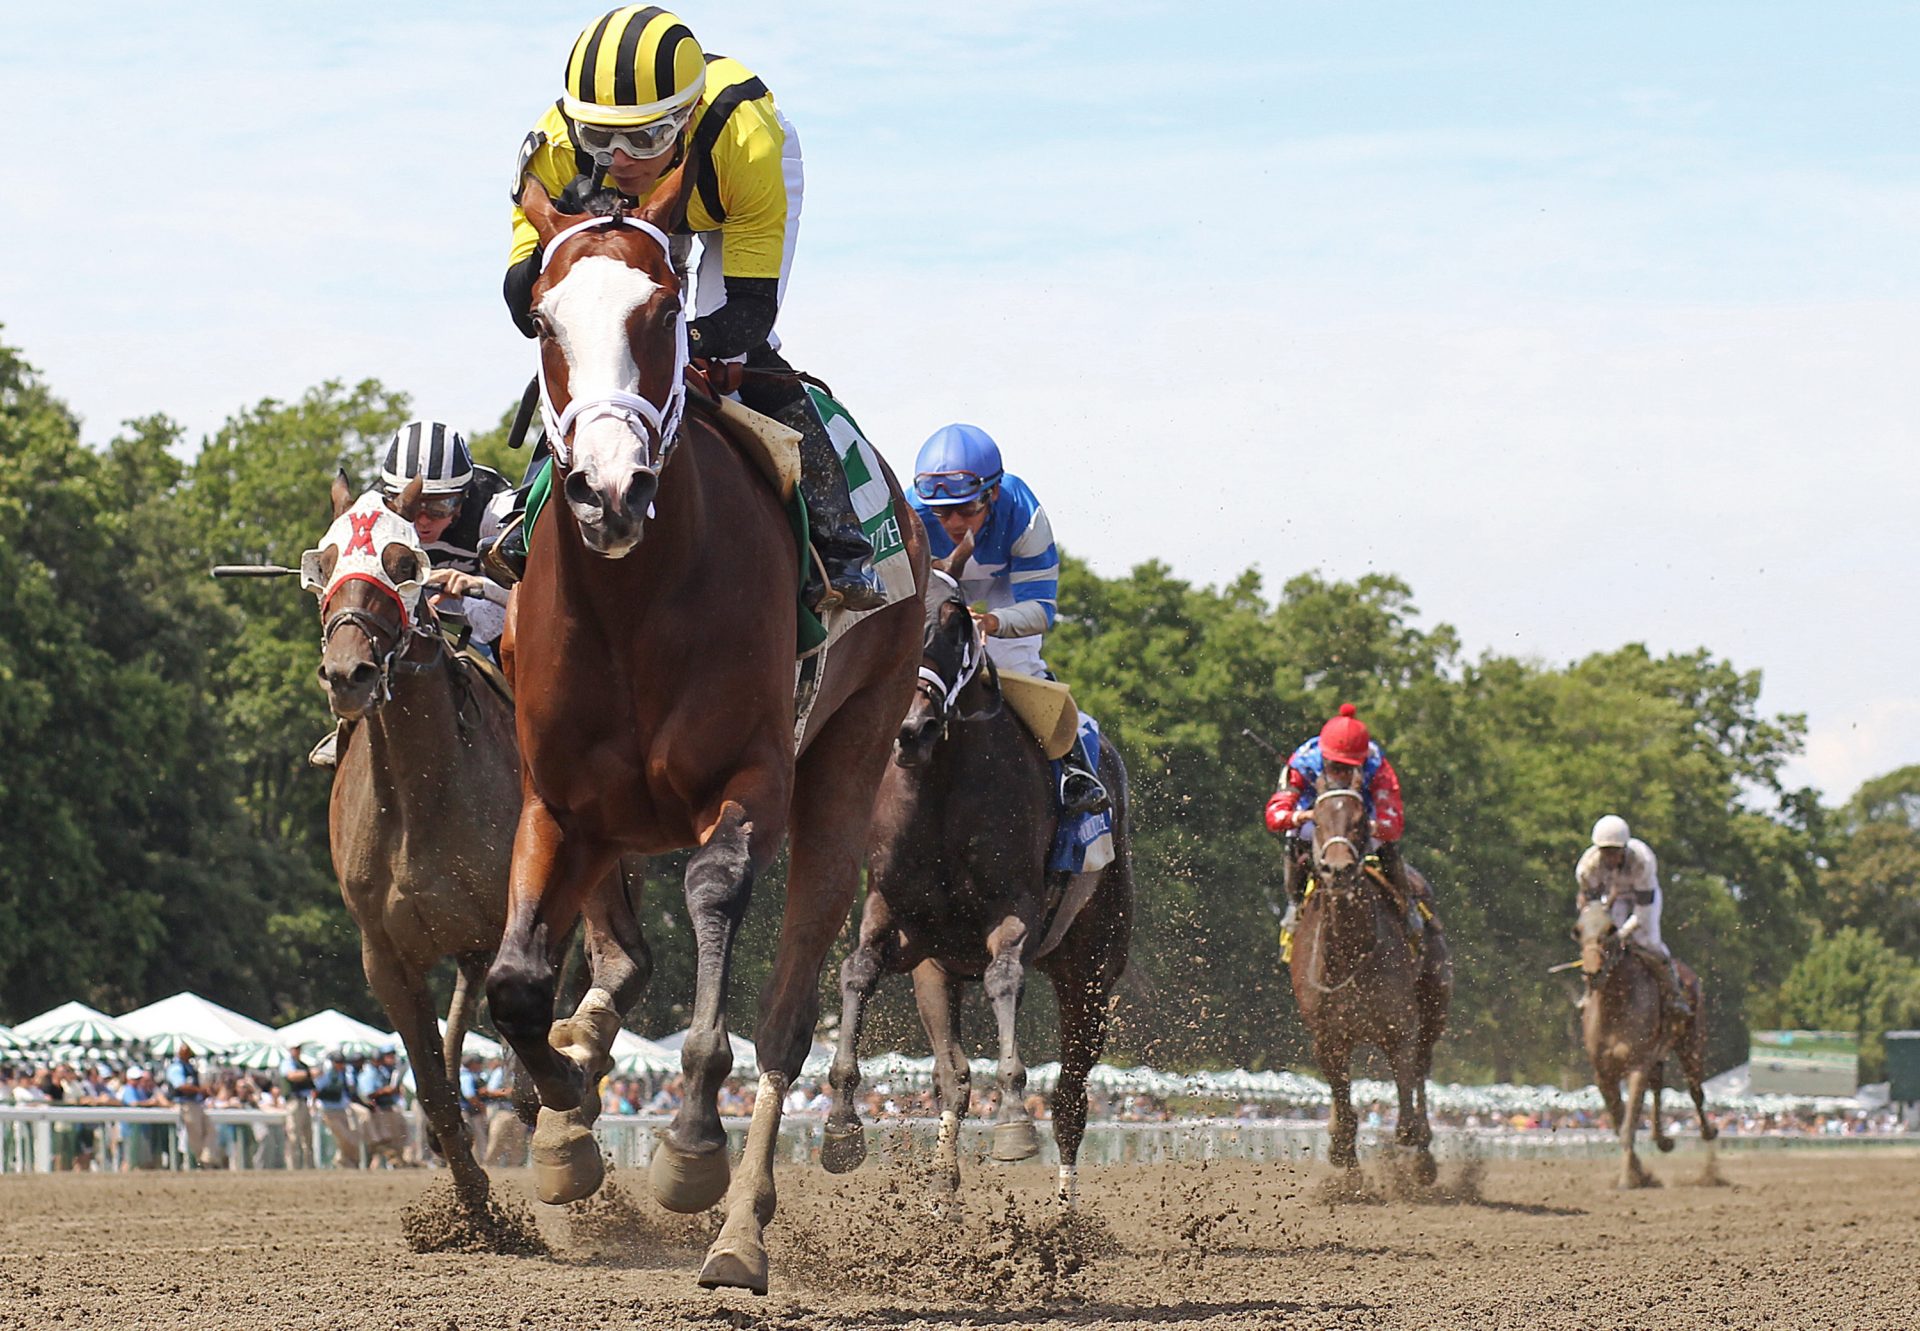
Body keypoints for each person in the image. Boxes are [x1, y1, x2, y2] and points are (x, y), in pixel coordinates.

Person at [496, 5, 882, 610]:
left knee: (740, 350)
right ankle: (527, 508)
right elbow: (525, 302)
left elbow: (747, 313)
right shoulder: (554, 150)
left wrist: (677, 338)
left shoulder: (747, 144)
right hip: (641, 203)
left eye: (645, 138)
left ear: (685, 117)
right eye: (600, 139)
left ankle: (840, 538)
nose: (620, 160)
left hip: (725, 194)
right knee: (592, 326)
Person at [907, 422, 1108, 816]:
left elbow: (1041, 609)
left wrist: (990, 623)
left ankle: (1073, 769)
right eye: (942, 513)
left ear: (992, 493)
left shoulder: (1024, 516)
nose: (953, 525)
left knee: (1017, 660)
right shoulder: (910, 514)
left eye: (967, 510)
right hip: (935, 583)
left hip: (1004, 591)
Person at [309, 419, 513, 769]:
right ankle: (349, 721)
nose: (422, 521)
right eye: (410, 504)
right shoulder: (373, 512)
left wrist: (474, 586)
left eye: (438, 508)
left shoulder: (496, 513)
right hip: (417, 618)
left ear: (463, 499)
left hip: (490, 614)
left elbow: (534, 599)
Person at [1263, 703, 1432, 943]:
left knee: (1387, 844)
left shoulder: (1378, 767)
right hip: (1317, 815)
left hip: (1360, 817)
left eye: (1349, 768)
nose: (1341, 774)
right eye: (1335, 766)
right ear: (1323, 758)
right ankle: (1295, 903)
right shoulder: (1302, 763)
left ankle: (1406, 907)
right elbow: (1274, 815)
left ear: (1362, 761)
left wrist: (1370, 826)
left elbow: (1393, 824)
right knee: (1294, 836)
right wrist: (1301, 817)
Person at [1576, 814, 1691, 1019]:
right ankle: (1589, 991)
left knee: (1648, 942)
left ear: (1624, 849)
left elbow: (1643, 910)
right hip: (1614, 897)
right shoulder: (1587, 867)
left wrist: (1623, 933)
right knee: (1598, 944)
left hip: (1644, 900)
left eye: (1615, 852)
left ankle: (1674, 994)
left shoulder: (1642, 861)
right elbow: (1589, 905)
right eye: (1605, 852)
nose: (1610, 858)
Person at [164, 1043, 223, 1169]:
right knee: (195, 1134)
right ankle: (200, 1161)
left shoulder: (190, 1067)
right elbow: (180, 1086)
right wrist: (201, 1090)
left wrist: (205, 1092)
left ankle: (207, 1159)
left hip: (197, 1104)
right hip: (185, 1104)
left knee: (211, 1130)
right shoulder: (176, 1067)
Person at [358, 1048, 409, 1168]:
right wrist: (385, 1091)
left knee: (387, 1139)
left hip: (383, 1109)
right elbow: (368, 1094)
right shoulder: (368, 1073)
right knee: (378, 1140)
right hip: (375, 1111)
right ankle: (375, 1164)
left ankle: (386, 1164)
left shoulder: (380, 1071)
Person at [313, 1050, 362, 1169]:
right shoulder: (326, 1075)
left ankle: (346, 1161)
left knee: (350, 1137)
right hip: (329, 1111)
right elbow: (316, 1090)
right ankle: (341, 1161)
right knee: (344, 1137)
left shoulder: (343, 1074)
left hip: (342, 1110)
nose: (341, 1065)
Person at [279, 1042, 317, 1169]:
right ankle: (293, 1166)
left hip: (304, 1101)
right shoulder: (287, 1063)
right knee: (293, 1135)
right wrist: (308, 1073)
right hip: (293, 1102)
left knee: (308, 1137)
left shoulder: (302, 1065)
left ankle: (309, 1166)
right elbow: (291, 1075)